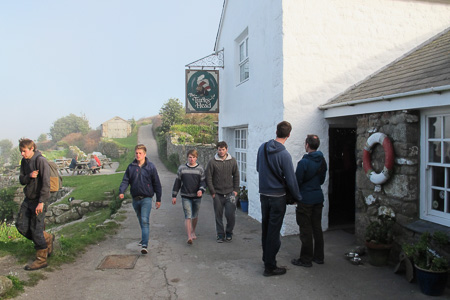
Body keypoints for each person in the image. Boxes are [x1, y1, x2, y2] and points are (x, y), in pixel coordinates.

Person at [256, 121, 301, 277]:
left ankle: (266, 259)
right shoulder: (284, 155)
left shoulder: (262, 148)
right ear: (289, 135)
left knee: (266, 228)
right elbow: (291, 180)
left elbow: (257, 168)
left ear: (276, 131)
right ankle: (270, 267)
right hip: (278, 197)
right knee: (274, 232)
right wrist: (297, 197)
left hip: (264, 195)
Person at [16, 138, 55, 270]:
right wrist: (29, 176)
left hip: (39, 200)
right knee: (21, 225)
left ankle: (41, 259)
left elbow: (46, 184)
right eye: (21, 151)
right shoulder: (24, 161)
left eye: (24, 151)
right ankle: (47, 238)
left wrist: (41, 202)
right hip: (28, 199)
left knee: (36, 230)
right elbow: (21, 180)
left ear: (32, 149)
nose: (22, 154)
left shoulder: (41, 161)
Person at [291, 134, 328, 268]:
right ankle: (319, 257)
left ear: (307, 145)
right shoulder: (322, 160)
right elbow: (322, 180)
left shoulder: (304, 162)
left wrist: (295, 196)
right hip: (318, 197)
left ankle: (306, 259)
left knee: (306, 229)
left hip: (306, 199)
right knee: (317, 228)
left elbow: (297, 181)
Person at [119, 144, 162, 254]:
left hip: (146, 198)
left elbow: (156, 183)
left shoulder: (150, 167)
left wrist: (158, 199)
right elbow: (125, 180)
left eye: (140, 153)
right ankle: (144, 237)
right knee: (140, 219)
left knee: (144, 220)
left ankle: (144, 245)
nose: (138, 155)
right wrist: (122, 191)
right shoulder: (131, 167)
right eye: (136, 153)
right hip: (135, 199)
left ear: (145, 154)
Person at [205, 141, 239, 243]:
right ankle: (220, 235)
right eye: (219, 150)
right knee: (218, 215)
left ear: (226, 149)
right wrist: (212, 192)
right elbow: (208, 177)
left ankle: (229, 232)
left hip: (230, 194)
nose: (221, 151)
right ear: (217, 150)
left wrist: (236, 190)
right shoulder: (212, 162)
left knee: (230, 214)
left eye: (223, 149)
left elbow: (236, 175)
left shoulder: (232, 161)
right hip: (218, 194)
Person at [172, 149, 206, 245]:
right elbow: (177, 182)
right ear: (187, 158)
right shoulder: (182, 168)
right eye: (190, 157)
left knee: (195, 216)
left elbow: (203, 182)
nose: (191, 159)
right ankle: (189, 236)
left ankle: (193, 231)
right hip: (185, 195)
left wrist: (201, 190)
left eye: (193, 157)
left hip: (197, 196)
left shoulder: (200, 169)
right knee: (188, 215)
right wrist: (174, 195)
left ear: (196, 158)